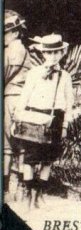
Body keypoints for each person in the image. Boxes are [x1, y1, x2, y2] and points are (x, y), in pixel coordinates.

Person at [14, 34, 74, 207]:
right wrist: (18, 116)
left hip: (55, 119)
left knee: (48, 161)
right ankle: (28, 197)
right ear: (43, 54)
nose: (53, 56)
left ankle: (39, 194)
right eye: (49, 53)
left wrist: (65, 124)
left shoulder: (65, 76)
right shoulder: (34, 73)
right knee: (30, 160)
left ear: (61, 53)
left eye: (56, 52)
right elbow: (25, 96)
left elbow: (69, 103)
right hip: (34, 119)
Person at [4, 11, 31, 195]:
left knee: (6, 145)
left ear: (14, 33)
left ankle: (5, 187)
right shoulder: (26, 51)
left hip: (9, 97)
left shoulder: (9, 51)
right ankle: (22, 186)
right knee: (22, 144)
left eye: (5, 33)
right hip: (24, 99)